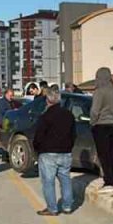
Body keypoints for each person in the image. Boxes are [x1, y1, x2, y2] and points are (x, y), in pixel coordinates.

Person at [33, 86, 76, 216]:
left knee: (48, 182)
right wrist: (69, 147)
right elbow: (74, 134)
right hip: (65, 152)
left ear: (48, 100)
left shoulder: (45, 116)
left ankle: (52, 208)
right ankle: (67, 206)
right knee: (65, 179)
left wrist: (37, 149)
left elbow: (39, 136)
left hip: (48, 153)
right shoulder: (69, 115)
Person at [89, 67, 113, 193]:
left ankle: (109, 182)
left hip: (101, 125)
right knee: (112, 153)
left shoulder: (99, 91)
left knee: (104, 155)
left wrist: (92, 123)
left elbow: (95, 110)